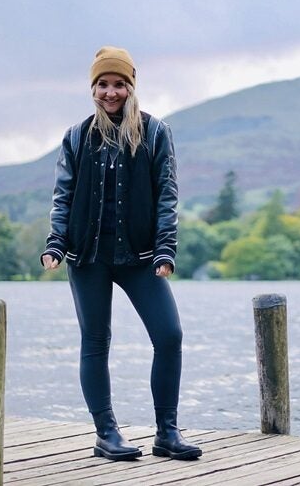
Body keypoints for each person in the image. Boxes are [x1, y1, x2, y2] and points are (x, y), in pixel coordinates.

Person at [41, 46, 201, 461]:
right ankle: (106, 434)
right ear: (92, 88)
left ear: (132, 86)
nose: (110, 92)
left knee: (169, 336)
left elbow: (167, 194)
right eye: (102, 84)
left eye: (119, 84)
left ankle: (167, 433)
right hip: (87, 257)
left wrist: (166, 249)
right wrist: (56, 243)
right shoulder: (76, 136)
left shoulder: (155, 132)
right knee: (96, 341)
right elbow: (63, 195)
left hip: (141, 257)